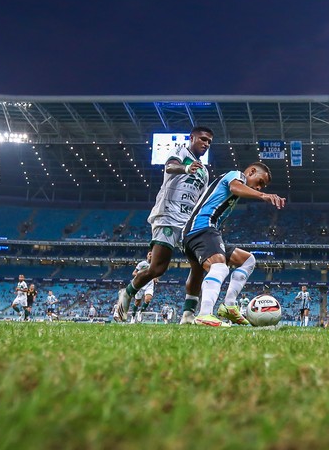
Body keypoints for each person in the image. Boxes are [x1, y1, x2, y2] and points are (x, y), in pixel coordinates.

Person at [115, 126, 214, 325]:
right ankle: (126, 294)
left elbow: (200, 199)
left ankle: (188, 314)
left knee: (198, 265)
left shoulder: (204, 172)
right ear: (192, 138)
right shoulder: (180, 152)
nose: (206, 144)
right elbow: (169, 167)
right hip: (167, 216)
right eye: (203, 139)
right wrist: (186, 168)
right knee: (158, 269)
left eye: (209, 142)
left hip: (188, 223)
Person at [181, 162, 285, 326]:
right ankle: (204, 314)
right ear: (251, 171)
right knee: (219, 267)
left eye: (262, 186)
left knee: (247, 260)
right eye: (259, 182)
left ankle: (228, 306)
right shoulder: (236, 175)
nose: (259, 188)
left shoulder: (235, 186)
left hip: (204, 230)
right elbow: (236, 188)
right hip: (200, 228)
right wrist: (263, 195)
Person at [129, 252, 155, 323]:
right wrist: (142, 275)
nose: (151, 256)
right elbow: (134, 273)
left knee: (148, 299)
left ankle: (140, 312)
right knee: (137, 302)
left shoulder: (155, 265)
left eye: (152, 254)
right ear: (147, 256)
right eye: (149, 254)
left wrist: (155, 278)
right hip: (140, 283)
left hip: (149, 284)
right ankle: (133, 316)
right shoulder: (142, 264)